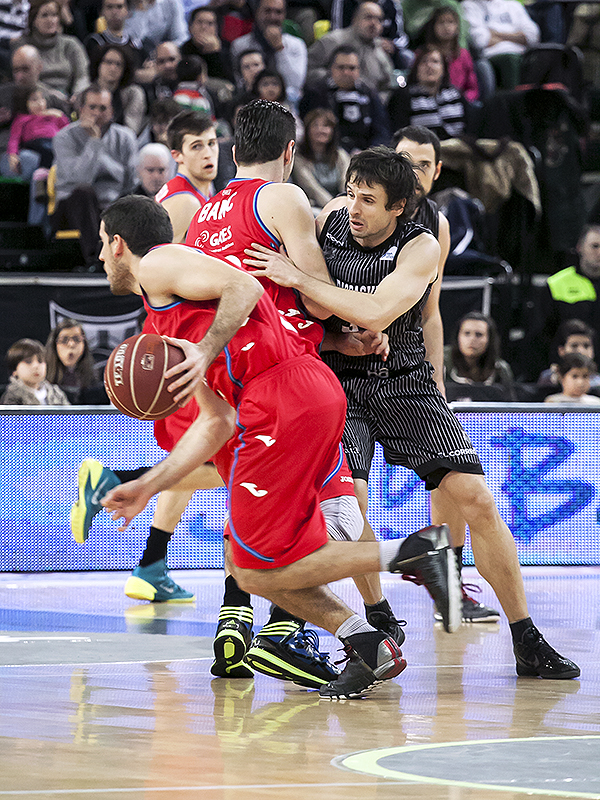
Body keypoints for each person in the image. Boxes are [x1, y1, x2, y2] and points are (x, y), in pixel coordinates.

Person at [98, 192, 457, 700]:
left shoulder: (158, 263)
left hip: (282, 401)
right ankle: (368, 641)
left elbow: (242, 284)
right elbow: (216, 422)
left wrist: (206, 348)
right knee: (261, 568)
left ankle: (415, 553)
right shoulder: (159, 323)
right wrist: (145, 487)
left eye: (100, 245)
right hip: (297, 398)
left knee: (253, 568)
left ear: (118, 244)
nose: (98, 259)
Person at [243, 145, 580, 679]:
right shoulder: (327, 220)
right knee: (344, 506)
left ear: (398, 207)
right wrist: (327, 322)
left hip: (405, 383)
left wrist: (302, 279)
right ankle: (376, 617)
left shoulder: (421, 246)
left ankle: (526, 638)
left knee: (475, 499)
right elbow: (298, 311)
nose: (354, 207)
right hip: (336, 382)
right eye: (352, 193)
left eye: (369, 200)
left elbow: (377, 310)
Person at [392, 124, 500, 624]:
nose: (411, 173)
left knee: (453, 478)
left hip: (410, 366)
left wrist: (435, 379)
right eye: (403, 161)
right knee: (349, 496)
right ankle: (314, 615)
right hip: (353, 364)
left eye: (421, 164)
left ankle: (450, 589)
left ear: (436, 172)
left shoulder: (437, 222)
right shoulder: (356, 210)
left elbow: (431, 312)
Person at [51, 84, 137, 267]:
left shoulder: (125, 137)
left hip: (111, 205)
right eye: (92, 107)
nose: (97, 113)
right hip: (72, 206)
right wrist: (94, 142)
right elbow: (81, 178)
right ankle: (96, 258)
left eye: (103, 108)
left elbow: (130, 180)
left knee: (133, 201)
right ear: (81, 109)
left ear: (112, 111)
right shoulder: (64, 137)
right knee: (84, 193)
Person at [300, 45, 391, 154]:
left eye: (352, 68)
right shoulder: (316, 93)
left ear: (359, 70)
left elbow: (382, 130)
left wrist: (370, 154)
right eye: (341, 67)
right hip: (328, 154)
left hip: (365, 156)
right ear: (331, 68)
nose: (346, 72)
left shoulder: (369, 94)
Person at [0, 44, 70, 169]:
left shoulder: (53, 98)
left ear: (39, 67)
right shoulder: (2, 94)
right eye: (16, 70)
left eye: (25, 69)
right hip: (8, 153)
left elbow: (68, 132)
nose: (20, 76)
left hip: (50, 149)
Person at [155, 109, 218, 243]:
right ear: (177, 155)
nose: (208, 154)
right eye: (196, 146)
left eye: (211, 143)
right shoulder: (185, 202)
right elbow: (159, 260)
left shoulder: (194, 190)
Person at [230, 0, 307, 107]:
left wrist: (280, 49)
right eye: (267, 11)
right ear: (257, 12)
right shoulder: (240, 45)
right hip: (250, 102)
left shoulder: (296, 44)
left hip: (286, 103)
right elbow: (238, 81)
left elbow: (294, 85)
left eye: (278, 12)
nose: (273, 17)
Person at [307, 1, 394, 96]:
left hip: (366, 105)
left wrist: (377, 104)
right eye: (368, 17)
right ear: (355, 19)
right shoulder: (333, 41)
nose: (374, 23)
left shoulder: (381, 49)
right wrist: (336, 77)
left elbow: (387, 86)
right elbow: (308, 70)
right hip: (330, 101)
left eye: (379, 20)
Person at [387, 45, 469, 140]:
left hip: (456, 149)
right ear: (416, 68)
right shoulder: (403, 96)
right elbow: (398, 133)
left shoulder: (456, 94)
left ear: (443, 68)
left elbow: (469, 129)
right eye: (424, 61)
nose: (429, 66)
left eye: (435, 61)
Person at [11, 0, 90, 99]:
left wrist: (78, 95)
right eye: (45, 15)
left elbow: (83, 76)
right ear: (33, 19)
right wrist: (52, 95)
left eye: (54, 15)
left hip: (69, 99)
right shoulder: (22, 46)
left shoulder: (71, 44)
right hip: (34, 98)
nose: (51, 20)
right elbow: (23, 79)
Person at [461, 0, 540, 90]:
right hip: (493, 55)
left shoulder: (513, 4)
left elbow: (533, 36)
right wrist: (518, 37)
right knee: (510, 60)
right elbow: (481, 40)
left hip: (524, 53)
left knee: (549, 52)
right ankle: (512, 100)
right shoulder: (469, 6)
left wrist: (494, 33)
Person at [444, 311, 516, 400]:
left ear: (489, 339)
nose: (472, 339)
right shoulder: (441, 363)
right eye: (467, 333)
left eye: (479, 335)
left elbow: (510, 409)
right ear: (458, 336)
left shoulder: (500, 370)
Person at [291, 107, 350, 209]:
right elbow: (312, 188)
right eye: (315, 125)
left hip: (343, 205)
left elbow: (346, 184)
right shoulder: (298, 157)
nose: (320, 130)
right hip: (313, 206)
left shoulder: (341, 155)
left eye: (326, 126)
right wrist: (334, 207)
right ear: (307, 130)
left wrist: (344, 204)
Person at [420, 6, 479, 102]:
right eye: (441, 22)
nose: (446, 27)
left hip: (460, 102)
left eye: (450, 22)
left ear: (457, 26)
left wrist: (462, 100)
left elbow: (472, 88)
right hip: (430, 101)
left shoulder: (464, 54)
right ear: (433, 26)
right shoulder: (424, 54)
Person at [7, 82, 69, 171]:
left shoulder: (52, 116)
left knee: (60, 148)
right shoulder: (23, 118)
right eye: (34, 100)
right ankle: (46, 171)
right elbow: (14, 138)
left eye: (42, 99)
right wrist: (13, 154)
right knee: (48, 149)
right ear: (24, 102)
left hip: (54, 141)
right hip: (35, 143)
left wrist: (61, 116)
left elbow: (67, 131)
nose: (40, 103)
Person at [45, 319, 107, 404]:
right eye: (64, 340)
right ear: (54, 345)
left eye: (76, 339)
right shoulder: (43, 379)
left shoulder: (98, 378)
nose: (71, 344)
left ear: (84, 344)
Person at [90, 44, 147, 136]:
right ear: (99, 64)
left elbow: (131, 130)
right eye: (108, 62)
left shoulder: (133, 93)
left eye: (118, 64)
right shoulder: (86, 92)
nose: (113, 68)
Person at [84, 0, 153, 72]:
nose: (114, 12)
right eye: (109, 7)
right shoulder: (94, 43)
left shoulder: (136, 45)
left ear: (127, 11)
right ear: (101, 12)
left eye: (119, 7)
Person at [1, 338, 69, 405]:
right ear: (14, 370)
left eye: (40, 361)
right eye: (28, 362)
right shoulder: (12, 396)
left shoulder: (56, 393)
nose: (36, 366)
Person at [538, 319, 600, 390]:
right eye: (574, 346)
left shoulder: (598, 381)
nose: (581, 351)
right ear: (561, 350)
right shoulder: (549, 377)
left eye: (586, 346)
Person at [181, 6, 234, 84]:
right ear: (190, 27)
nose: (204, 27)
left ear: (217, 28)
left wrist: (215, 53)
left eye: (210, 24)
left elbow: (229, 82)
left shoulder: (227, 48)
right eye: (199, 22)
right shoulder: (184, 49)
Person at [123, 0, 187, 48]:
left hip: (162, 55)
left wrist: (163, 52)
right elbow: (134, 40)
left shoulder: (170, 3)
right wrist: (141, 10)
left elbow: (181, 37)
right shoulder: (120, 5)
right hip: (131, 55)